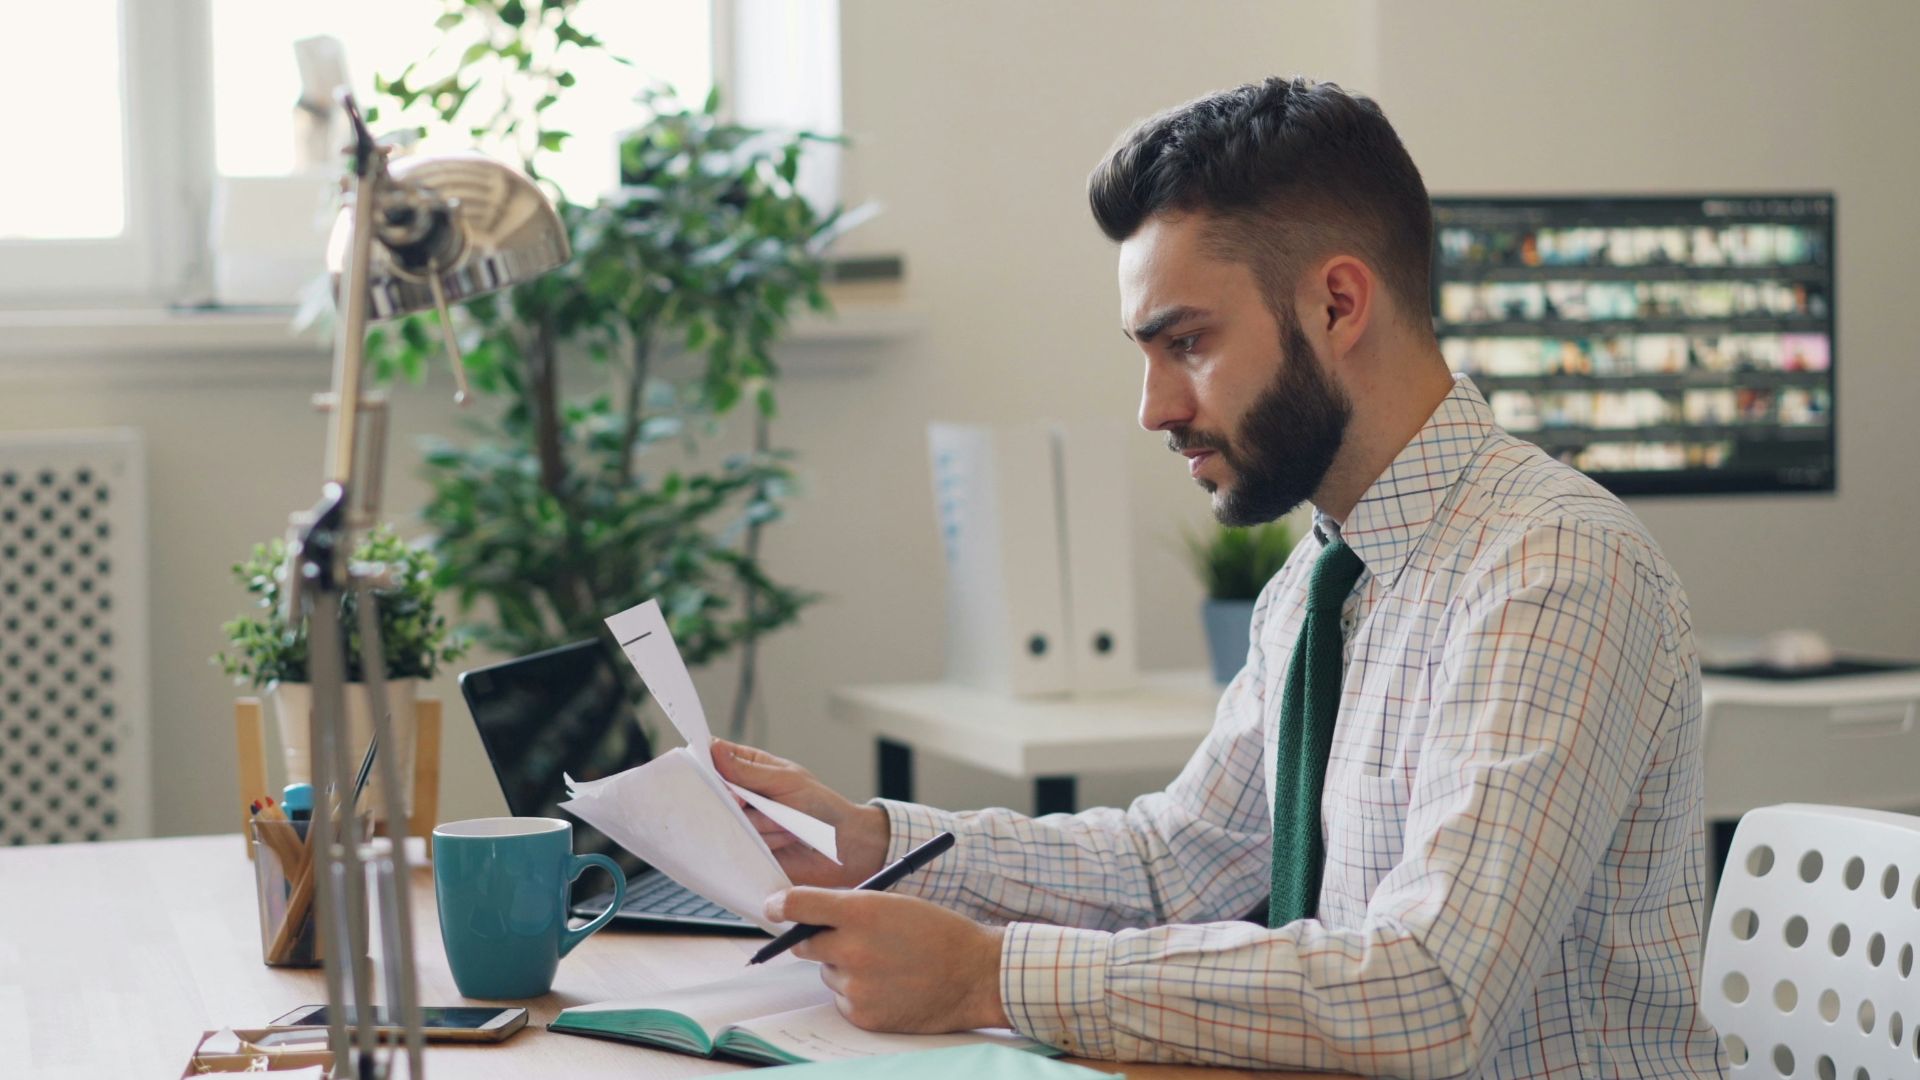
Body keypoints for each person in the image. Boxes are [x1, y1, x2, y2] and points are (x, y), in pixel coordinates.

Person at [713, 76, 1723, 1078]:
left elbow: (1433, 992)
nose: (1154, 408)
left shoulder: (1552, 568)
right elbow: (1176, 862)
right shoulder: (1325, 576)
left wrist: (992, 976)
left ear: (1337, 303)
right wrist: (870, 839)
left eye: (1186, 343)